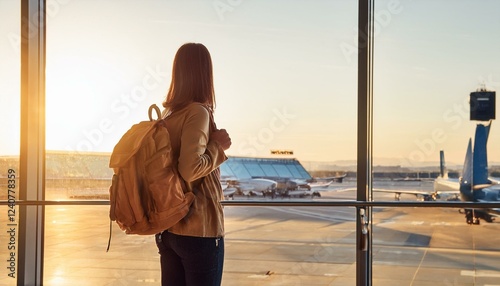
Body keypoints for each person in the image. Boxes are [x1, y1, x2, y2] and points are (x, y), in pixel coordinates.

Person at [155, 43, 231, 286]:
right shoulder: (197, 112)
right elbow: (190, 168)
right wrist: (218, 146)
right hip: (199, 231)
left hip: (168, 229)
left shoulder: (169, 116)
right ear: (205, 74)